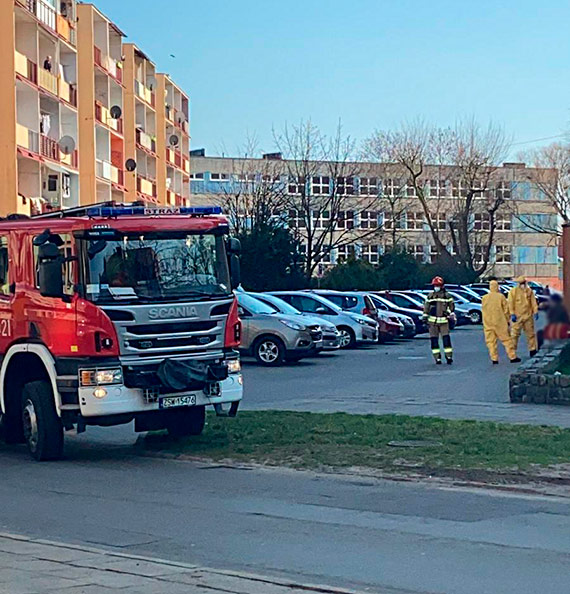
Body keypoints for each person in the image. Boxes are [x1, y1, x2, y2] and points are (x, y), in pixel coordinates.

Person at [481, 280, 521, 365]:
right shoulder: (501, 297)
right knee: (507, 340)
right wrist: (507, 320)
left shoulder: (484, 298)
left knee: (491, 342)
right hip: (500, 322)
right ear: (497, 286)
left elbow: (483, 310)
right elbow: (506, 310)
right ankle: (512, 357)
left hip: (488, 323)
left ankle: (494, 359)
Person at [422, 276, 455, 365]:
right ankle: (437, 358)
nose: (436, 287)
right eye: (435, 285)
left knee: (446, 340)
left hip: (444, 321)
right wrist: (424, 317)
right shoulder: (430, 296)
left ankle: (449, 357)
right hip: (432, 322)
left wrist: (447, 313)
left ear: (442, 286)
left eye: (438, 285)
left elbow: (451, 307)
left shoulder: (447, 296)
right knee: (434, 341)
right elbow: (426, 308)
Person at [507, 275, 539, 357]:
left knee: (530, 334)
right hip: (517, 317)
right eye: (521, 283)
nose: (523, 284)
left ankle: (532, 349)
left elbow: (533, 302)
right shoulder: (513, 292)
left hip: (528, 316)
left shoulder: (529, 291)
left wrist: (535, 311)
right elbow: (510, 303)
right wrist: (512, 313)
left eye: (524, 283)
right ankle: (512, 353)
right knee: (514, 335)